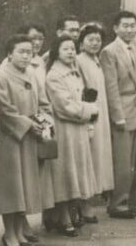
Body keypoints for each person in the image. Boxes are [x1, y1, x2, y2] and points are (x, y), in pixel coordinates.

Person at [0, 35, 49, 246]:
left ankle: (19, 231)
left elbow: (43, 103)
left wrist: (43, 122)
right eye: (21, 52)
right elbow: (4, 109)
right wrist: (26, 123)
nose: (26, 56)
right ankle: (9, 234)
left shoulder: (33, 74)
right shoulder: (1, 76)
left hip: (29, 137)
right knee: (11, 189)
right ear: (9, 53)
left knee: (24, 187)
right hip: (10, 138)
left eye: (30, 52)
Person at [45, 36, 98, 237]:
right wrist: (90, 110)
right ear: (56, 51)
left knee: (76, 172)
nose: (70, 52)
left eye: (73, 48)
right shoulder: (54, 75)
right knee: (64, 174)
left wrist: (87, 112)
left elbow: (81, 98)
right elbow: (64, 107)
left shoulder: (76, 72)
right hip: (64, 130)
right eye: (65, 48)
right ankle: (63, 218)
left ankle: (70, 213)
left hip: (78, 130)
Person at [100, 11, 136, 218]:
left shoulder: (134, 49)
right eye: (125, 26)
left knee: (130, 161)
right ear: (115, 28)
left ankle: (125, 200)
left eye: (132, 25)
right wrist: (117, 115)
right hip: (122, 112)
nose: (129, 29)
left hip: (135, 110)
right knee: (121, 161)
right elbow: (111, 87)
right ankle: (117, 203)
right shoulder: (109, 52)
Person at [75, 24, 115, 219]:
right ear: (81, 42)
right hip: (89, 116)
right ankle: (84, 205)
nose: (94, 43)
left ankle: (90, 201)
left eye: (98, 40)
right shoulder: (79, 61)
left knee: (98, 158)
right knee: (88, 159)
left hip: (101, 115)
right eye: (90, 39)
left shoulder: (96, 60)